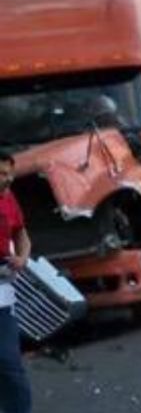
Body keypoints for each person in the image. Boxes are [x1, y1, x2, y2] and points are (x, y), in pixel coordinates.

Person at [0, 151, 32, 413]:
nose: (7, 179)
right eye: (1, 174)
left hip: (1, 284)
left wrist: (22, 257)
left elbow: (21, 232)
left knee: (8, 361)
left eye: (9, 173)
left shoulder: (9, 199)